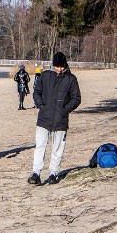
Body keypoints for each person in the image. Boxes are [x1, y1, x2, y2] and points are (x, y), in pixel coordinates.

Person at [28, 52, 81, 185]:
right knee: (40, 146)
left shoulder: (71, 79)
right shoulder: (45, 76)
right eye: (56, 66)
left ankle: (53, 173)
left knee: (58, 148)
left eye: (61, 67)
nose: (58, 69)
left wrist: (66, 109)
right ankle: (36, 173)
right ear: (53, 65)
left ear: (65, 66)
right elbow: (37, 92)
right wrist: (41, 105)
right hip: (44, 119)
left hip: (61, 120)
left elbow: (76, 98)